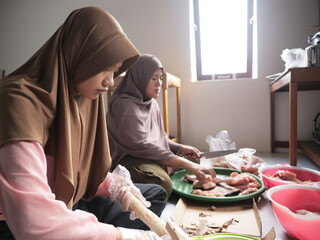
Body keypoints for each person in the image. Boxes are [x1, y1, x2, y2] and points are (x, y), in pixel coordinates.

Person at [0, 7, 167, 240]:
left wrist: (115, 187)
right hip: (18, 223)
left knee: (155, 194)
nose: (110, 82)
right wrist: (122, 235)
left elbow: (80, 171)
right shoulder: (19, 100)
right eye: (105, 67)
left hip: (66, 200)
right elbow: (32, 224)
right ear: (82, 55)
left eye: (115, 71)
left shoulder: (80, 96)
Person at [106, 54, 216, 196]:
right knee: (163, 183)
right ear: (140, 77)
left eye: (161, 77)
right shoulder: (124, 106)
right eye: (153, 78)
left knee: (194, 157)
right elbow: (142, 145)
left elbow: (159, 138)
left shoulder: (151, 103)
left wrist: (180, 148)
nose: (159, 83)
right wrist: (185, 164)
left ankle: (169, 175)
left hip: (148, 154)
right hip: (129, 159)